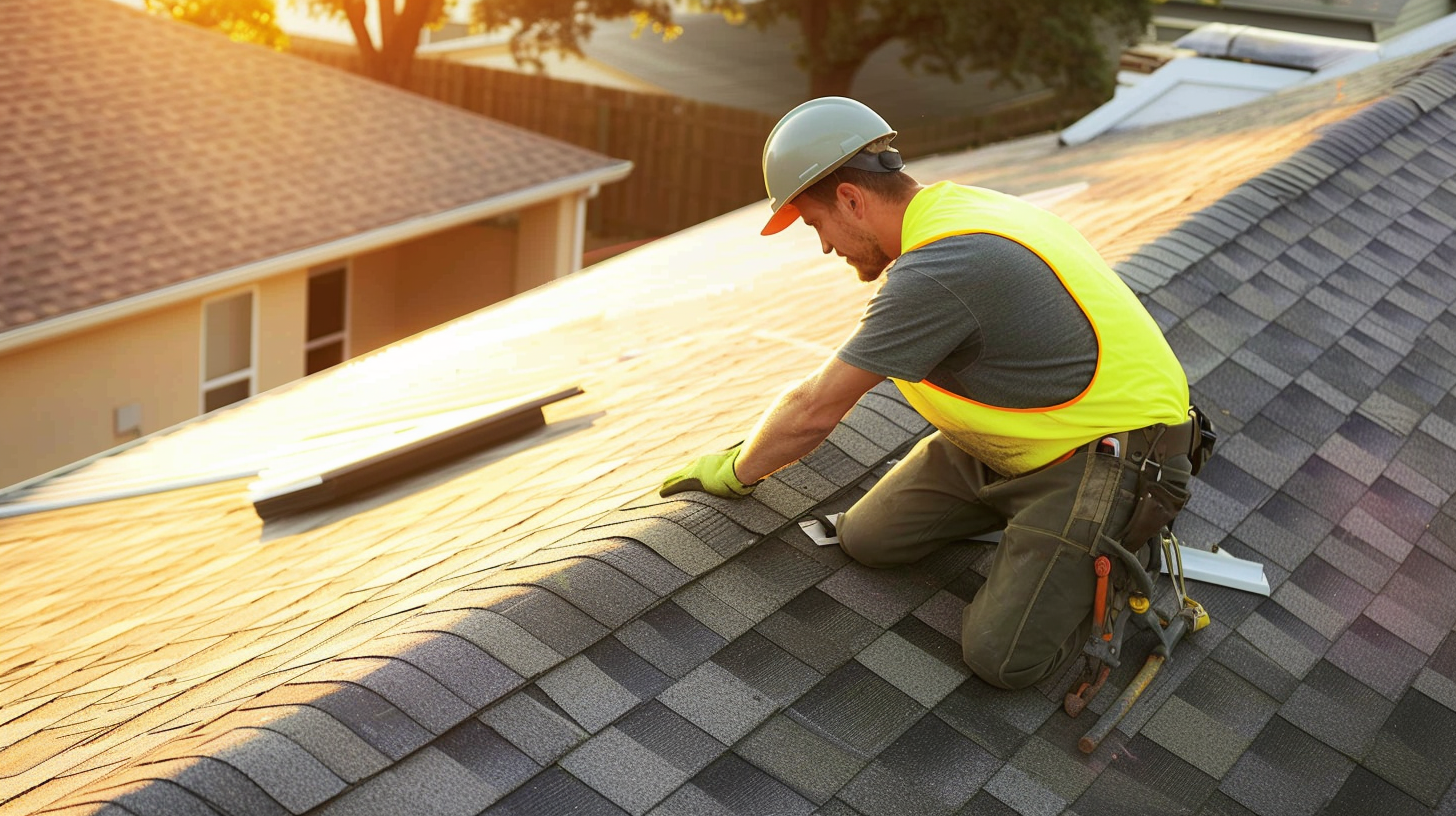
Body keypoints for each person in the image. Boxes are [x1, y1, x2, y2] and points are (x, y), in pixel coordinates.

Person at [659, 96, 1205, 690]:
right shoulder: (955, 211)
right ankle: (1034, 528)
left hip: (1110, 454)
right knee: (869, 539)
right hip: (1017, 438)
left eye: (816, 225)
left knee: (1003, 658)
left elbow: (815, 411)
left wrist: (739, 470)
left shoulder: (944, 265)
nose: (822, 246)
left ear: (850, 199)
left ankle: (1109, 555)